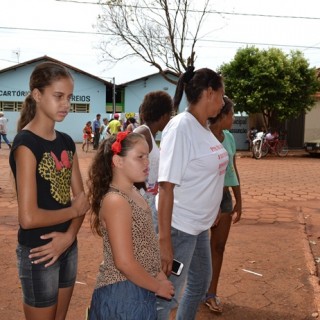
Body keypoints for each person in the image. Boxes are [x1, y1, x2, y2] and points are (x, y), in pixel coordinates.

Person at [8, 61, 89, 320]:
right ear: (37, 95)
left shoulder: (66, 142)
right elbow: (28, 218)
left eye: (69, 97)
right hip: (39, 251)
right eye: (58, 96)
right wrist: (72, 211)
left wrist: (69, 236)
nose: (66, 103)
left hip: (68, 245)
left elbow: (82, 199)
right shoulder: (26, 144)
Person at [156, 66, 228, 320]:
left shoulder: (202, 127)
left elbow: (206, 172)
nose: (223, 102)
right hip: (179, 227)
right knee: (167, 294)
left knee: (199, 282)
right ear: (209, 93)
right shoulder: (181, 128)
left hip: (197, 226)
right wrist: (165, 241)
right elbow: (166, 187)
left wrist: (214, 204)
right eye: (221, 95)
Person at [86, 132, 174, 319]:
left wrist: (157, 273)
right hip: (122, 296)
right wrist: (158, 286)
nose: (147, 162)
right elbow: (124, 262)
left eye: (147, 157)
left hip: (139, 287)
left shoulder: (133, 191)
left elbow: (144, 243)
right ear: (118, 161)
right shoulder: (116, 201)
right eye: (140, 157)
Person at [205, 96, 242, 313]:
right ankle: (193, 289)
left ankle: (211, 293)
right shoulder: (203, 136)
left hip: (224, 197)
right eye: (232, 114)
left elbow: (233, 171)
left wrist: (239, 200)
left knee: (218, 247)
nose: (234, 118)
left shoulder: (228, 138)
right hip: (202, 199)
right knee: (195, 249)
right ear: (223, 114)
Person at [134, 90, 173, 232]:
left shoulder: (151, 135)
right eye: (170, 115)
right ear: (163, 116)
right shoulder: (142, 134)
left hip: (150, 203)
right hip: (141, 205)